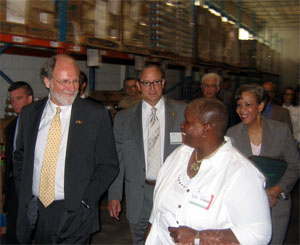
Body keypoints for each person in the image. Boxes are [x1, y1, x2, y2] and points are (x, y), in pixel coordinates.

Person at [13, 54, 119, 244]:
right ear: (47, 81)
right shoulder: (30, 114)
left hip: (75, 211)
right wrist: (25, 193)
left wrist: (86, 200)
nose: (72, 88)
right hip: (37, 210)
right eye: (64, 82)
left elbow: (109, 165)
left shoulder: (95, 115)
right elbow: (20, 156)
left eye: (75, 81)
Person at [145, 98, 272, 244]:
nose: (182, 125)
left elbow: (259, 233)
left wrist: (199, 236)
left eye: (187, 121)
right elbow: (156, 215)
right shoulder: (179, 155)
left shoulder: (240, 173)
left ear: (205, 129)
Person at [107, 64, 186, 244]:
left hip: (172, 194)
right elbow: (118, 159)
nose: (152, 88)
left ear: (163, 83)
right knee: (140, 240)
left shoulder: (182, 113)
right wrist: (114, 195)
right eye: (146, 83)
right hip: (139, 195)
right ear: (139, 85)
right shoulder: (124, 118)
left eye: (156, 82)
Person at [226, 84, 300, 244]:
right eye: (239, 105)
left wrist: (276, 190)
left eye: (248, 104)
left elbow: (295, 165)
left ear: (260, 106)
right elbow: (228, 172)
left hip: (276, 204)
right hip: (244, 208)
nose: (241, 110)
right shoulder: (232, 134)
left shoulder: (281, 131)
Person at [3, 81, 33, 244]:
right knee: (13, 230)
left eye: (19, 98)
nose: (15, 103)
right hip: (15, 185)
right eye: (12, 99)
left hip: (33, 186)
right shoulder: (11, 127)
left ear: (30, 99)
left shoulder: (40, 126)